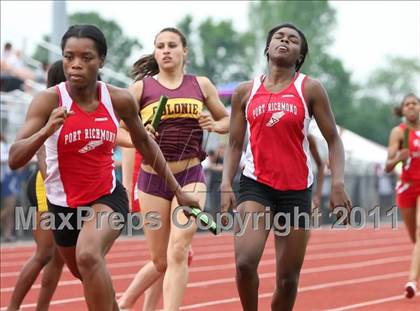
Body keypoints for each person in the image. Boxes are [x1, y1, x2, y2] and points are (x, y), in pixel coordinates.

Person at [8, 24, 199, 311]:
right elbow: (14, 158)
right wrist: (46, 130)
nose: (75, 64)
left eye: (86, 57)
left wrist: (178, 191)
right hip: (62, 206)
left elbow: (146, 144)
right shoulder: (48, 101)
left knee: (88, 256)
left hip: (106, 197)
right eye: (69, 57)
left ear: (101, 61)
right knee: (85, 272)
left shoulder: (118, 99)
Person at [220, 23, 351, 311]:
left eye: (293, 40)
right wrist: (226, 183)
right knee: (244, 263)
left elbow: (333, 139)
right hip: (256, 185)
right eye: (279, 37)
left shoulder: (311, 88)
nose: (285, 41)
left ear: (299, 55)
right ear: (267, 48)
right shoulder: (245, 91)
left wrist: (337, 183)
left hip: (296, 190)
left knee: (287, 281)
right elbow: (233, 144)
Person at [117, 27, 229, 310]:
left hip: (191, 174)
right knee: (160, 260)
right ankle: (128, 303)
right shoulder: (140, 89)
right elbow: (118, 133)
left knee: (179, 248)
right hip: (153, 180)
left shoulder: (200, 85)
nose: (166, 50)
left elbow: (229, 121)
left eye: (171, 45)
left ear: (184, 51)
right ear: (155, 52)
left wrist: (216, 125)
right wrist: (140, 135)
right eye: (160, 46)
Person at [7, 60, 66, 311]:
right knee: (43, 254)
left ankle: (42, 308)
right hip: (47, 185)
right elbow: (42, 153)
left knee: (59, 259)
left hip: (70, 188)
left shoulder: (87, 106)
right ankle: (12, 308)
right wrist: (54, 195)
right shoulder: (49, 107)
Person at [385, 93, 420, 298]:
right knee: (415, 239)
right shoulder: (399, 133)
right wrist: (399, 156)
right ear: (402, 109)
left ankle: (411, 282)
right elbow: (388, 165)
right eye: (407, 104)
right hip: (407, 187)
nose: (411, 107)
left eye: (414, 103)